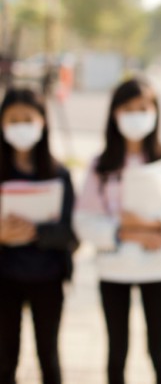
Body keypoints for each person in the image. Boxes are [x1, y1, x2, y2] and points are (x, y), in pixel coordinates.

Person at [74, 77, 161, 384]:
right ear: (115, 114)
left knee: (159, 351)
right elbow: (84, 220)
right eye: (128, 109)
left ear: (155, 112)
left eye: (143, 108)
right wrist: (125, 232)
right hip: (114, 269)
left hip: (159, 267)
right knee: (117, 352)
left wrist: (148, 225)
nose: (136, 115)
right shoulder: (101, 165)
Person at [0, 87, 78, 384]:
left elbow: (71, 232)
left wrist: (35, 230)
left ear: (43, 121)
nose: (21, 126)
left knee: (49, 356)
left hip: (47, 275)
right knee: (5, 357)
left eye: (27, 119)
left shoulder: (58, 174)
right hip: (5, 276)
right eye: (13, 119)